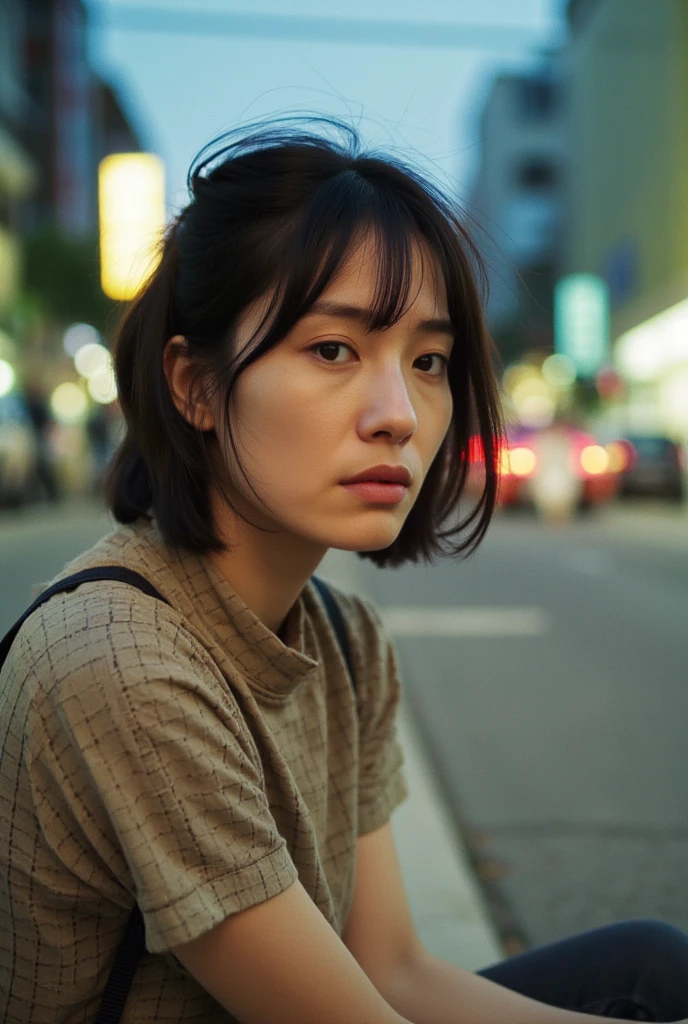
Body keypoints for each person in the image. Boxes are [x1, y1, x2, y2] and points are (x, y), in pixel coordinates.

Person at [1, 117, 687, 1024]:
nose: (399, 414)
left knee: (647, 968)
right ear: (195, 385)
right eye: (333, 349)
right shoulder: (120, 664)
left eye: (430, 360)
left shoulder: (345, 638)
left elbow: (393, 973)